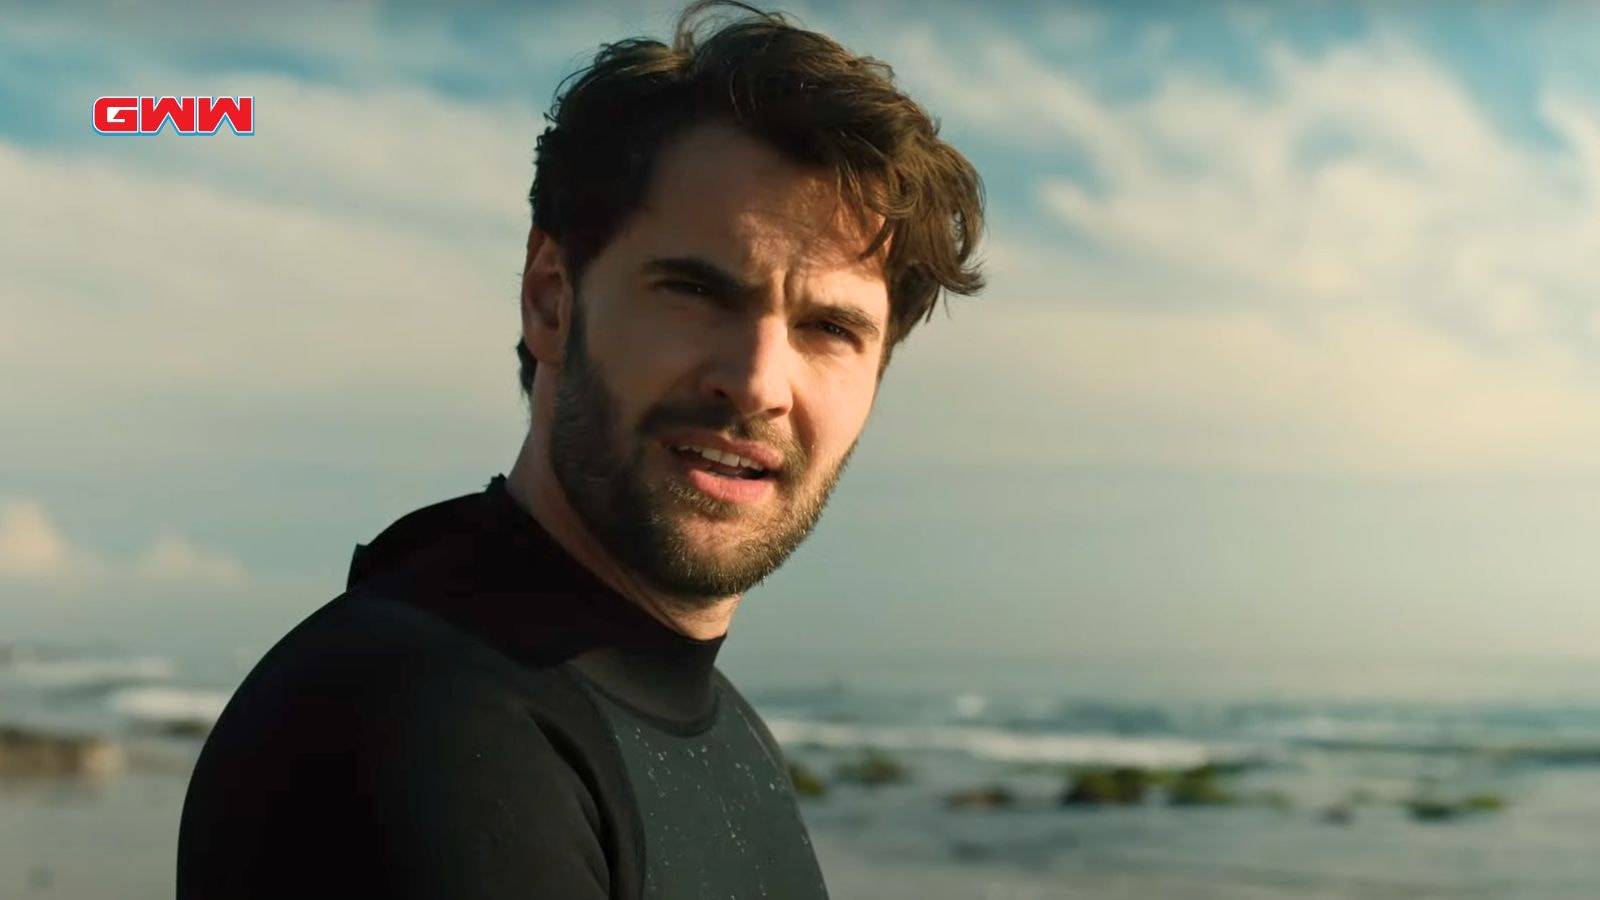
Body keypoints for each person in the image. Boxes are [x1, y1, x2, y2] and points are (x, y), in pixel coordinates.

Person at [176, 1, 985, 896]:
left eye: (830, 328)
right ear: (552, 298)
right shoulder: (420, 727)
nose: (759, 383)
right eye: (694, 291)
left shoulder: (716, 732)